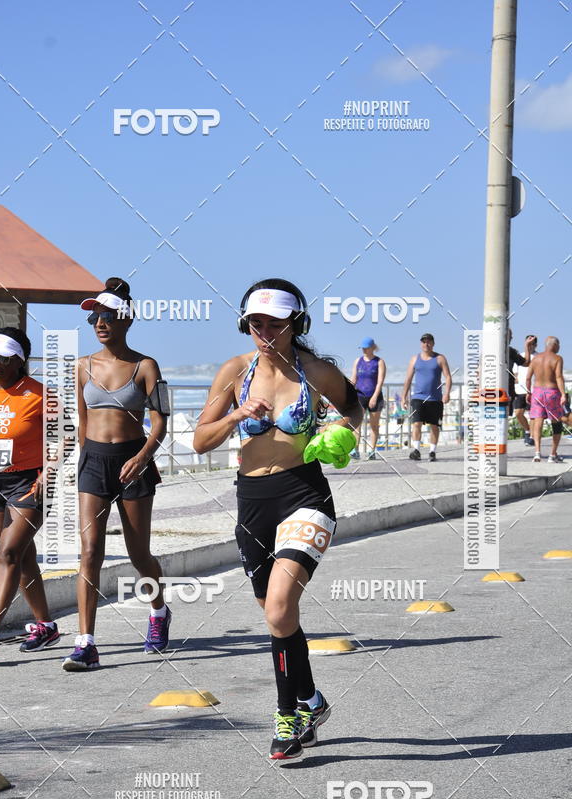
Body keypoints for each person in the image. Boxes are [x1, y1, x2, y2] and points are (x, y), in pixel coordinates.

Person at [193, 278, 362, 760]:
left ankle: (288, 716)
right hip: (252, 501)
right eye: (255, 323)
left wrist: (340, 430)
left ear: (296, 324)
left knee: (280, 605)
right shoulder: (234, 371)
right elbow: (200, 441)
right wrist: (235, 415)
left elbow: (355, 406)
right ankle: (312, 699)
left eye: (275, 323)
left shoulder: (316, 373)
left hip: (303, 492)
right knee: (277, 615)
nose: (264, 331)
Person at [62, 277, 170, 671]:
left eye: (108, 316)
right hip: (94, 463)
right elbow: (81, 421)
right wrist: (71, 460)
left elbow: (160, 423)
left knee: (138, 554)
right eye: (94, 318)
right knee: (90, 551)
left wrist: (142, 457)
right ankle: (85, 642)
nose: (100, 323)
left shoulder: (146, 366)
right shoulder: (81, 366)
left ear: (128, 319)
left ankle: (158, 612)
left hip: (133, 462)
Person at [0, 328, 60, 665]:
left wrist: (47, 473)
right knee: (21, 557)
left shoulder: (39, 395)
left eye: (1, 356)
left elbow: (65, 436)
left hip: (30, 483)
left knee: (7, 553)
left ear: (18, 361)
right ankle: (45, 625)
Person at [402, 333, 452, 462]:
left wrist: (447, 393)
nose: (426, 344)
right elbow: (408, 378)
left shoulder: (440, 358)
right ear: (421, 344)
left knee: (434, 426)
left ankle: (432, 451)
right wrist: (404, 397)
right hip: (418, 397)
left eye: (429, 342)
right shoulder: (414, 359)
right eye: (424, 342)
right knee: (416, 423)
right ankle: (417, 450)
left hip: (435, 398)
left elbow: (447, 376)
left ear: (433, 343)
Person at [525, 336, 566, 463]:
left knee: (538, 423)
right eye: (558, 345)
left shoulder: (536, 358)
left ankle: (537, 453)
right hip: (552, 392)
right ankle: (552, 455)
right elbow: (558, 377)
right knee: (556, 423)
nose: (559, 347)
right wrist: (563, 394)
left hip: (537, 392)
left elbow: (528, 378)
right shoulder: (557, 358)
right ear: (554, 345)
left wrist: (528, 392)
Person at [350, 337, 386, 460]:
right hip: (360, 396)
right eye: (363, 348)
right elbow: (354, 379)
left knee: (374, 425)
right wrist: (349, 392)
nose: (364, 350)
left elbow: (380, 381)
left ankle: (372, 450)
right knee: (356, 424)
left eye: (366, 348)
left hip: (374, 396)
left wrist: (375, 397)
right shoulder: (357, 361)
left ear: (372, 348)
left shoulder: (379, 362)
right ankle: (355, 450)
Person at [512, 335, 538, 445]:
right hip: (520, 390)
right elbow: (515, 373)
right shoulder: (521, 356)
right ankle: (527, 430)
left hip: (533, 390)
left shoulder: (538, 357)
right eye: (529, 343)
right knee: (518, 413)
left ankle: (531, 436)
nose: (530, 346)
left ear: (535, 345)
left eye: (533, 344)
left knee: (532, 414)